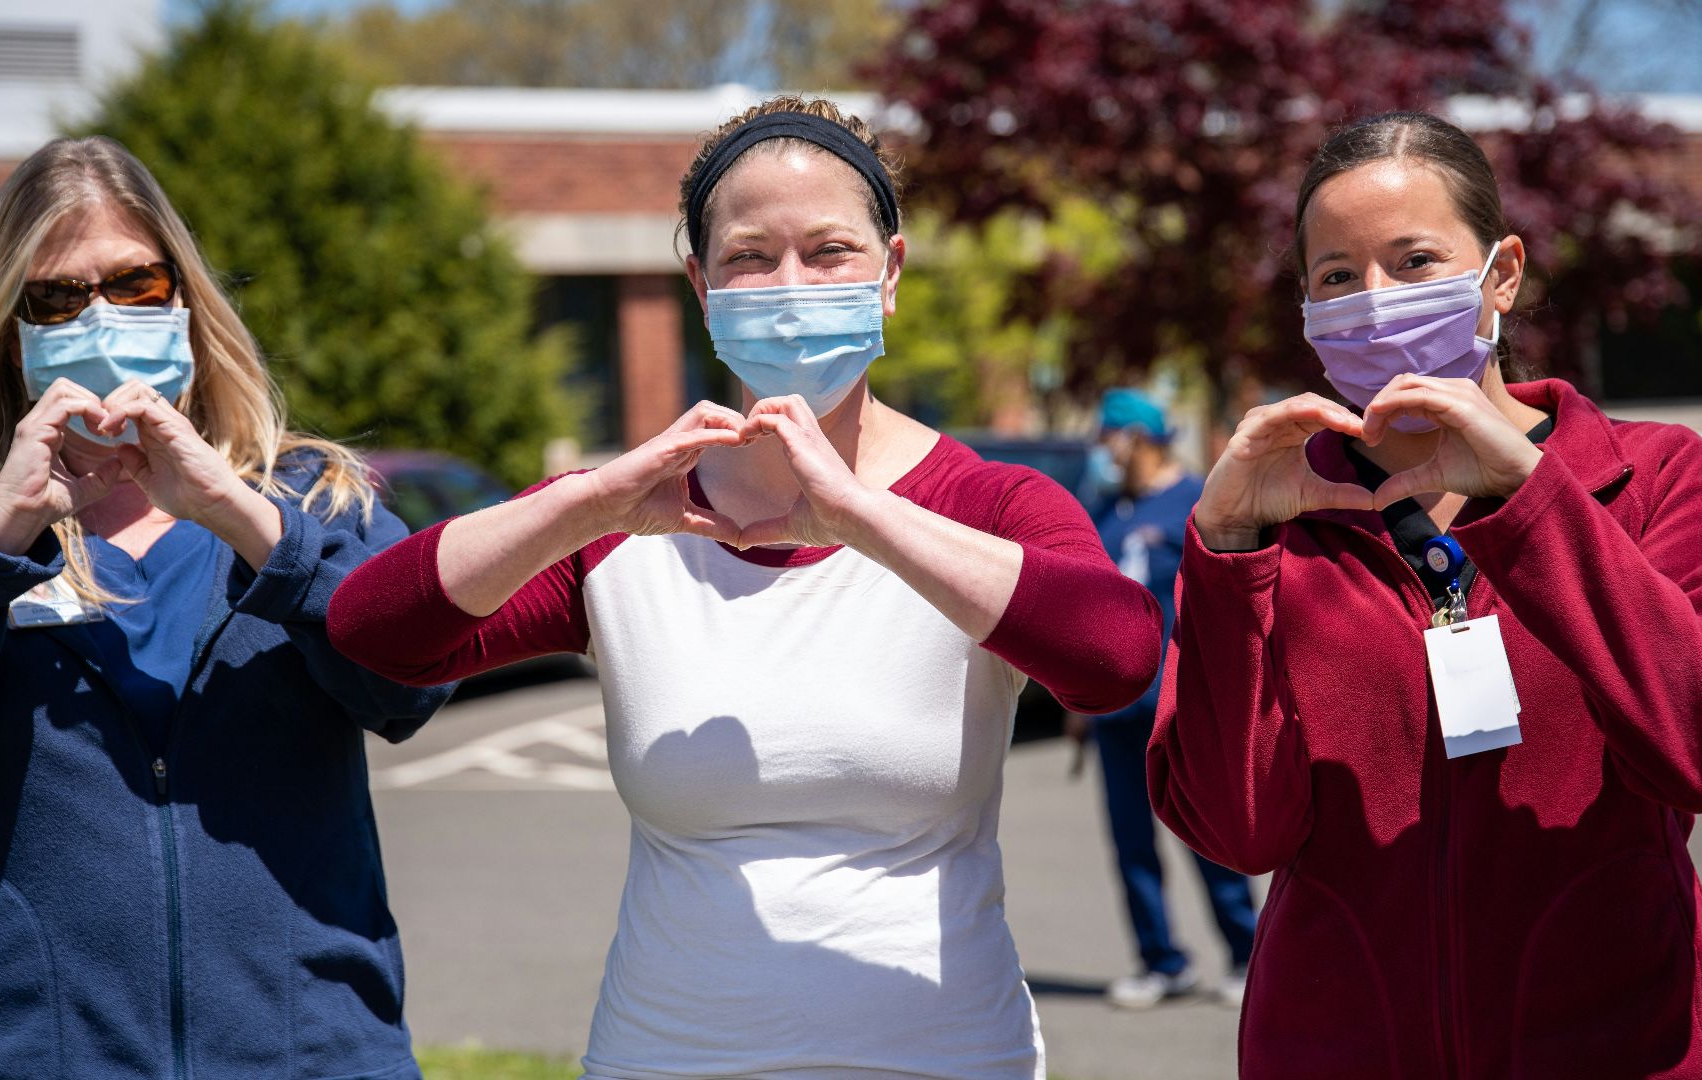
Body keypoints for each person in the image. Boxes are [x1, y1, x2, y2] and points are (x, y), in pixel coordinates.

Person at [329, 96, 1162, 1079]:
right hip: (664, 1055)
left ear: (891, 273)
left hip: (944, 1054)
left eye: (830, 251)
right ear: (701, 282)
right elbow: (375, 634)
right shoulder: (629, 517)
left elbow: (1117, 661)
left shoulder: (986, 502)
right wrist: (586, 501)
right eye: (752, 258)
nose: (791, 285)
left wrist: (864, 519)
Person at [0, 137, 451, 1079]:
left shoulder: (310, 498)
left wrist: (237, 514)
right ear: (6, 324)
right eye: (56, 297)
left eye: (134, 284)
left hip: (311, 1058)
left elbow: (410, 684)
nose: (98, 317)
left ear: (183, 296)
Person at [1150, 109, 1702, 1079]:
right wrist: (1230, 549)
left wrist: (1536, 506)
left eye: (1412, 262)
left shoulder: (1653, 477)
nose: (1373, 302)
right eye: (1335, 277)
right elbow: (1239, 832)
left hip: (1625, 1048)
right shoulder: (1277, 513)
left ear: (1503, 274)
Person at [1086, 388, 1257, 1009]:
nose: (1103, 449)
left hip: (1181, 708)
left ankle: (1246, 954)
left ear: (1138, 437)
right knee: (1130, 843)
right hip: (1113, 710)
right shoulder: (1105, 509)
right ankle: (1162, 960)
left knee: (1207, 834)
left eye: (1111, 435)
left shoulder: (1196, 503)